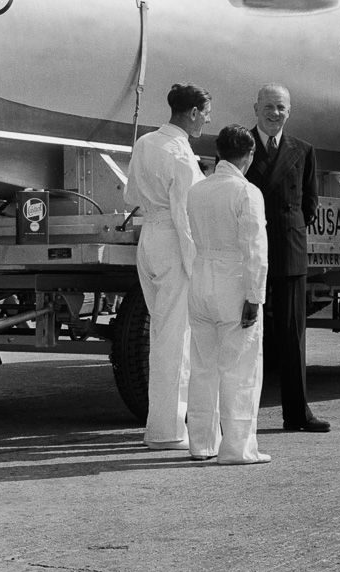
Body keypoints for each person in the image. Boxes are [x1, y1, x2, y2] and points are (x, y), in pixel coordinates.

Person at [124, 82, 211, 449]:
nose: (207, 120)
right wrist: (199, 267)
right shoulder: (179, 152)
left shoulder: (145, 143)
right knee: (175, 341)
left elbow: (130, 195)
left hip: (149, 240)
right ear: (192, 113)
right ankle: (168, 430)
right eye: (206, 113)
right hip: (174, 241)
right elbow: (186, 215)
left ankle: (160, 425)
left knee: (161, 334)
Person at [247, 83, 329, 433]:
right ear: (256, 108)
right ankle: (235, 416)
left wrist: (287, 229)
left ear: (289, 111)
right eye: (268, 106)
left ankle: (297, 413)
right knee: (244, 333)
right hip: (248, 250)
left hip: (290, 251)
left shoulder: (304, 150)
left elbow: (309, 203)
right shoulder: (239, 145)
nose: (274, 113)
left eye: (281, 107)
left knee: (293, 337)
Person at [186, 126, 269, 465]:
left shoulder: (197, 190)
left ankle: (201, 443)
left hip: (201, 278)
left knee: (203, 366)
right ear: (248, 156)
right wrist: (255, 296)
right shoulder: (246, 192)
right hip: (233, 281)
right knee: (240, 368)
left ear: (219, 152)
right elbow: (255, 250)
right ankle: (237, 448)